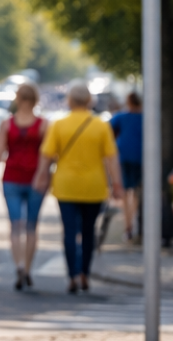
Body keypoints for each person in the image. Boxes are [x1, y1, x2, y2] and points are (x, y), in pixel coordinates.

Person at [34, 82, 122, 294]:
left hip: (66, 186)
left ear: (69, 101)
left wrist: (41, 176)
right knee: (89, 231)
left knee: (69, 231)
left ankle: (72, 274)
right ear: (90, 101)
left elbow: (47, 155)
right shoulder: (101, 126)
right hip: (94, 186)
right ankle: (85, 273)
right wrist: (117, 184)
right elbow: (111, 159)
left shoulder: (59, 125)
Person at [0, 82, 46, 290]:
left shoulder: (7, 124)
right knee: (31, 226)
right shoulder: (42, 124)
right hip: (35, 180)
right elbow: (46, 155)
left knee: (15, 226)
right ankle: (28, 268)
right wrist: (44, 175)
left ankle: (19, 265)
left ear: (18, 99)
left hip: (11, 177)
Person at [109, 91, 145, 241]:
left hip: (123, 156)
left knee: (125, 193)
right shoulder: (145, 118)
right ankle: (134, 223)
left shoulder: (121, 117)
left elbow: (108, 130)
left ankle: (128, 225)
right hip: (140, 157)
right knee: (136, 192)